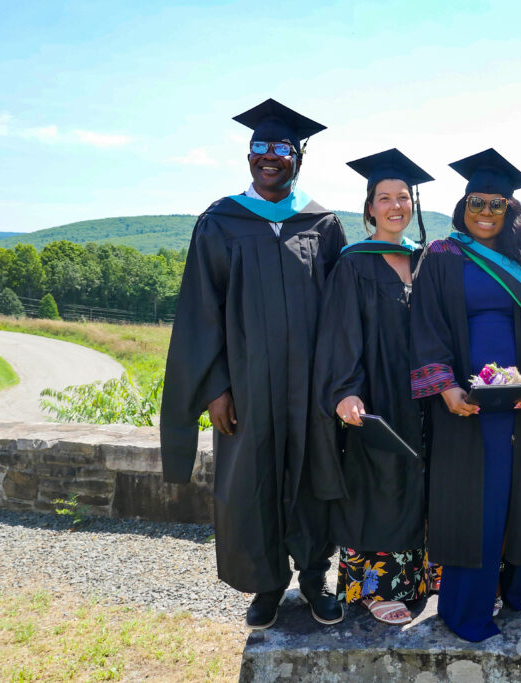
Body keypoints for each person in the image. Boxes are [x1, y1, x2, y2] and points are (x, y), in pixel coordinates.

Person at [160, 98, 347, 631]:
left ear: (297, 157)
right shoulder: (220, 222)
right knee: (253, 482)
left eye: (281, 148)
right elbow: (200, 312)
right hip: (245, 388)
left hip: (311, 387)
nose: (270, 157)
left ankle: (314, 576)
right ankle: (267, 584)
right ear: (249, 156)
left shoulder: (324, 224)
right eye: (260, 147)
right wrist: (216, 388)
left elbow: (341, 312)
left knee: (314, 477)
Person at [410, 148, 521, 641]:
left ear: (511, 210)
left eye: (497, 204)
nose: (485, 212)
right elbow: (426, 323)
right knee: (472, 503)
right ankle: (467, 610)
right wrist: (445, 389)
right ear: (463, 205)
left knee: (514, 495)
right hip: (465, 405)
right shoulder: (443, 255)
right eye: (476, 202)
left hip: (519, 402)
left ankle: (512, 591)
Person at [309, 148, 433, 625]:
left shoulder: (425, 261)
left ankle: (416, 580)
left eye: (403, 197)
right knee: (377, 488)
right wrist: (345, 390)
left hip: (423, 397)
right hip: (376, 397)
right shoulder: (354, 264)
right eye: (385, 198)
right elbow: (339, 333)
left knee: (416, 488)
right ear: (369, 209)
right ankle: (373, 587)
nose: (396, 205)